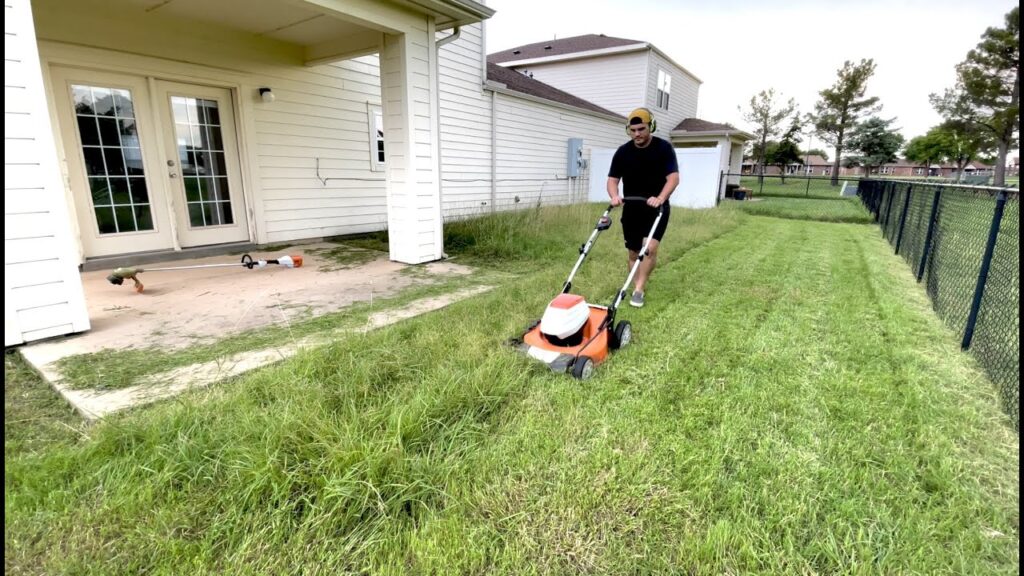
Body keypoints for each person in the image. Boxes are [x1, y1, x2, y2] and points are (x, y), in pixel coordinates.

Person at [607, 107, 679, 308]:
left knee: (649, 249)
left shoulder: (663, 148)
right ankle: (635, 283)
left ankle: (639, 289)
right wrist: (614, 196)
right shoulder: (623, 152)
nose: (637, 134)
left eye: (641, 129)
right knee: (633, 252)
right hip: (632, 208)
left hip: (657, 208)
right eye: (633, 130)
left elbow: (673, 178)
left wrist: (661, 197)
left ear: (651, 127)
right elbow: (612, 180)